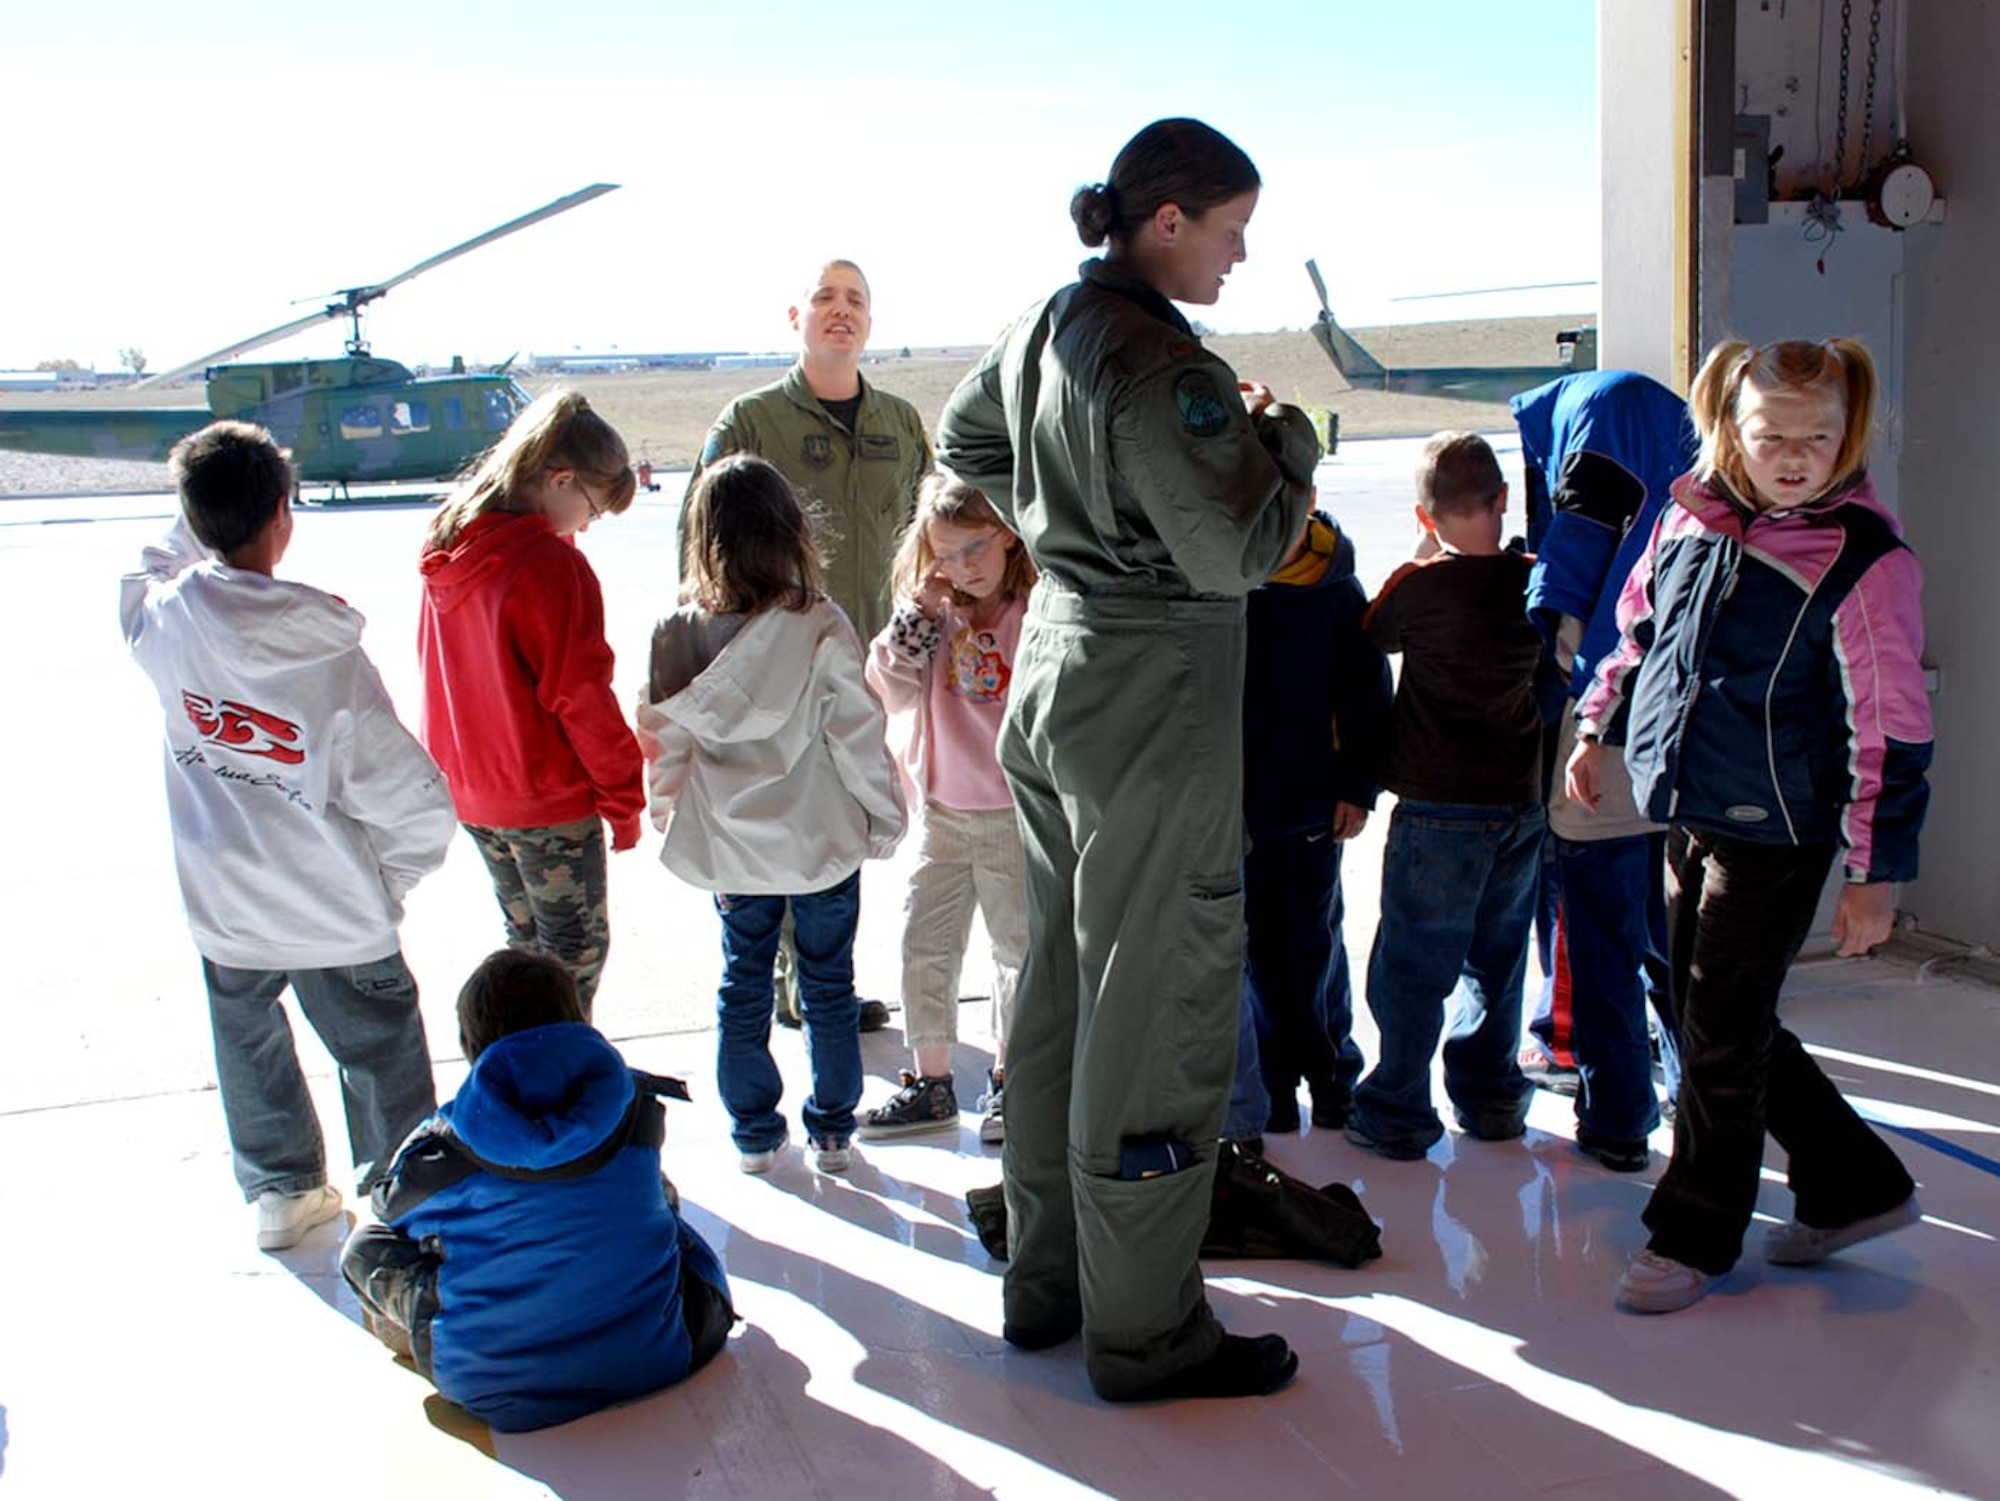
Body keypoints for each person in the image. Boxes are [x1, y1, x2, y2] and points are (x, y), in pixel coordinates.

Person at [938, 117, 1317, 1402]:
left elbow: (966, 440)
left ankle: (1049, 1285)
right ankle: (1146, 1330)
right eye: (1227, 230)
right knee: (1153, 997)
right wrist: (1288, 452)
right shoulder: (1162, 360)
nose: (1238, 255)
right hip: (1153, 687)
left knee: (1059, 987)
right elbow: (1236, 551)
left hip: (1058, 668)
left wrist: (1068, 519)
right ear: (1166, 222)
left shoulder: (1049, 322)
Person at [1569, 338, 1931, 1314]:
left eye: (1817, 437)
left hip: (1779, 824)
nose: (1793, 456)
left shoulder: (1859, 559)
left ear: (1844, 434)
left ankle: (1693, 1231)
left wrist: (1872, 870)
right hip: (1689, 803)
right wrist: (1598, 724)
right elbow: (1638, 632)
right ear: (1728, 427)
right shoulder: (1688, 515)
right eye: (1771, 434)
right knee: (1707, 1016)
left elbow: (1889, 729)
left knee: (1717, 1035)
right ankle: (1854, 1182)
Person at [120, 420, 454, 1250]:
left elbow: (146, 570)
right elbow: (413, 800)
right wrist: (387, 883)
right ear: (284, 516)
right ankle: (402, 1194)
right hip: (335, 905)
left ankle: (282, 1188)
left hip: (225, 900)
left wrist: (195, 522)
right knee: (377, 1046)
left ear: (194, 521)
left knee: (247, 1038)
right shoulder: (328, 655)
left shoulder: (163, 625)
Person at [637, 454, 906, 1176]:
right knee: (828, 983)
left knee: (743, 981)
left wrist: (670, 816)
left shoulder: (677, 631)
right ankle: (832, 1132)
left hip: (731, 846)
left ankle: (755, 1134)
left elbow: (666, 745)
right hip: (820, 839)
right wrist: (884, 817)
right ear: (791, 532)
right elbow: (856, 734)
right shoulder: (818, 623)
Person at [684, 260, 932, 1033]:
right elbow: (700, 532)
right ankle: (803, 982)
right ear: (795, 316)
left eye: (856, 299)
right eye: (825, 297)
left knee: (840, 813)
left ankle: (814, 978)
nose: (841, 310)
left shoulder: (899, 422)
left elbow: (928, 531)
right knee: (782, 810)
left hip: (871, 655)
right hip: (777, 658)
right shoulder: (751, 420)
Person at [342, 948, 735, 1432]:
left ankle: (423, 1334)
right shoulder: (635, 1111)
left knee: (365, 1246)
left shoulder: (441, 1148)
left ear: (470, 1041)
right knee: (658, 1204)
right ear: (575, 1019)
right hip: (665, 1355)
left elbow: (389, 1209)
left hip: (498, 1390)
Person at [1514, 370, 1698, 1171]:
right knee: (1681, 949)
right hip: (1689, 747)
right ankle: (1704, 1114)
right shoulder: (1693, 468)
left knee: (1599, 942)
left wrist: (1556, 685)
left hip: (1607, 739)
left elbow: (1569, 573)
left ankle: (1619, 1121)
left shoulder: (1595, 438)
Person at [1345, 432, 1546, 1162]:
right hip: (1519, 803)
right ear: (1502, 501)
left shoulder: (1420, 588)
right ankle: (1490, 1098)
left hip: (1437, 809)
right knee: (1497, 957)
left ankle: (1398, 1105)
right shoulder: (1533, 580)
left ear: (1423, 517)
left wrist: (1422, 559)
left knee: (1412, 960)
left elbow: (1373, 630)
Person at [418, 389, 645, 1015]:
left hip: (476, 792)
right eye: (592, 509)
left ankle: (515, 1078)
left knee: (526, 953)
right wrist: (624, 799)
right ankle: (562, 1088)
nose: (588, 525)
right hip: (546, 799)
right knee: (573, 961)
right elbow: (581, 698)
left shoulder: (454, 538)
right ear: (561, 478)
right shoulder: (547, 565)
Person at [858, 474, 1035, 1145]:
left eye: (975, 549)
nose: (962, 567)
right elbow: (887, 680)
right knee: (924, 943)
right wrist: (920, 614)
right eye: (947, 555)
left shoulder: (1031, 610)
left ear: (1009, 536)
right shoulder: (933, 617)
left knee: (1016, 954)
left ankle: (1010, 1081)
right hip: (942, 812)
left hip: (1014, 814)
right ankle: (930, 1082)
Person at [1221, 498, 1391, 1148]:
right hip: (1232, 810)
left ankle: (1329, 1077)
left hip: (1314, 807)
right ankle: (1271, 1085)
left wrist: (1358, 787)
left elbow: (1368, 694)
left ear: (1309, 505)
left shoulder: (1336, 590)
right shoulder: (1219, 584)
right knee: (1253, 951)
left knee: (1312, 943)